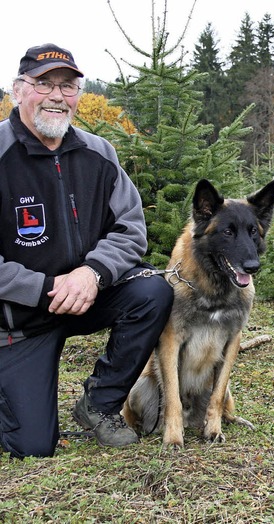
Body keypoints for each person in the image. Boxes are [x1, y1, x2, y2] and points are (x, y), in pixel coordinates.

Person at [0, 43, 174, 458]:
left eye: (68, 86)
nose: (58, 96)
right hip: (20, 319)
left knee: (153, 291)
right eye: (44, 85)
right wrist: (43, 288)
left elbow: (130, 230)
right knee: (32, 446)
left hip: (87, 296)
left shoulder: (99, 153)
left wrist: (91, 273)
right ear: (17, 90)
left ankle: (99, 403)